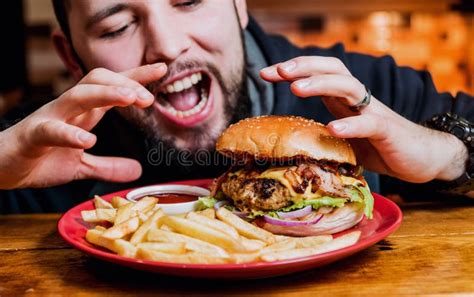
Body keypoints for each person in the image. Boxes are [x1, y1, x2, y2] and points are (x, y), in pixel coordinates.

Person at [0, 0, 472, 213]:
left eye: (188, 1)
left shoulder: (357, 94)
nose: (167, 45)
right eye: (117, 26)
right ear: (70, 55)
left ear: (238, 5)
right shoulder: (36, 150)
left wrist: (445, 156)